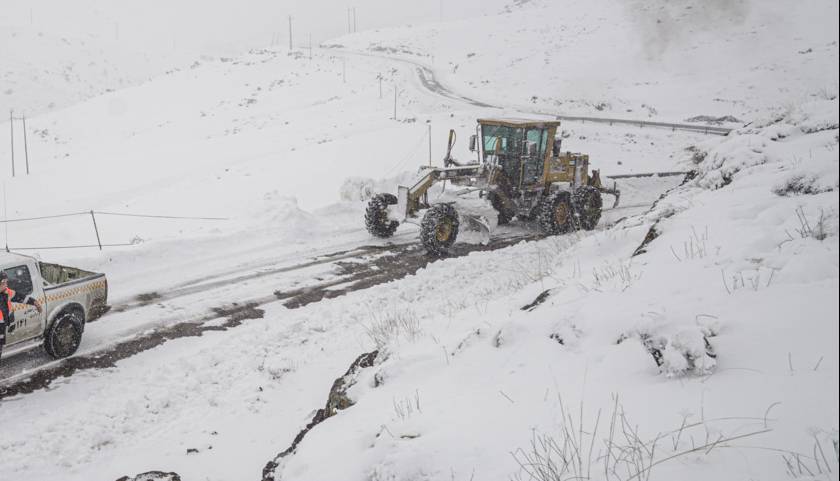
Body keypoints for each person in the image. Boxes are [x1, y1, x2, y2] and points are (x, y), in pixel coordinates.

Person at [0, 271, 42, 364]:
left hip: (2, 327)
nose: (6, 285)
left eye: (7, 282)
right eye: (4, 282)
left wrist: (34, 302)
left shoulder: (7, 292)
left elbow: (20, 297)